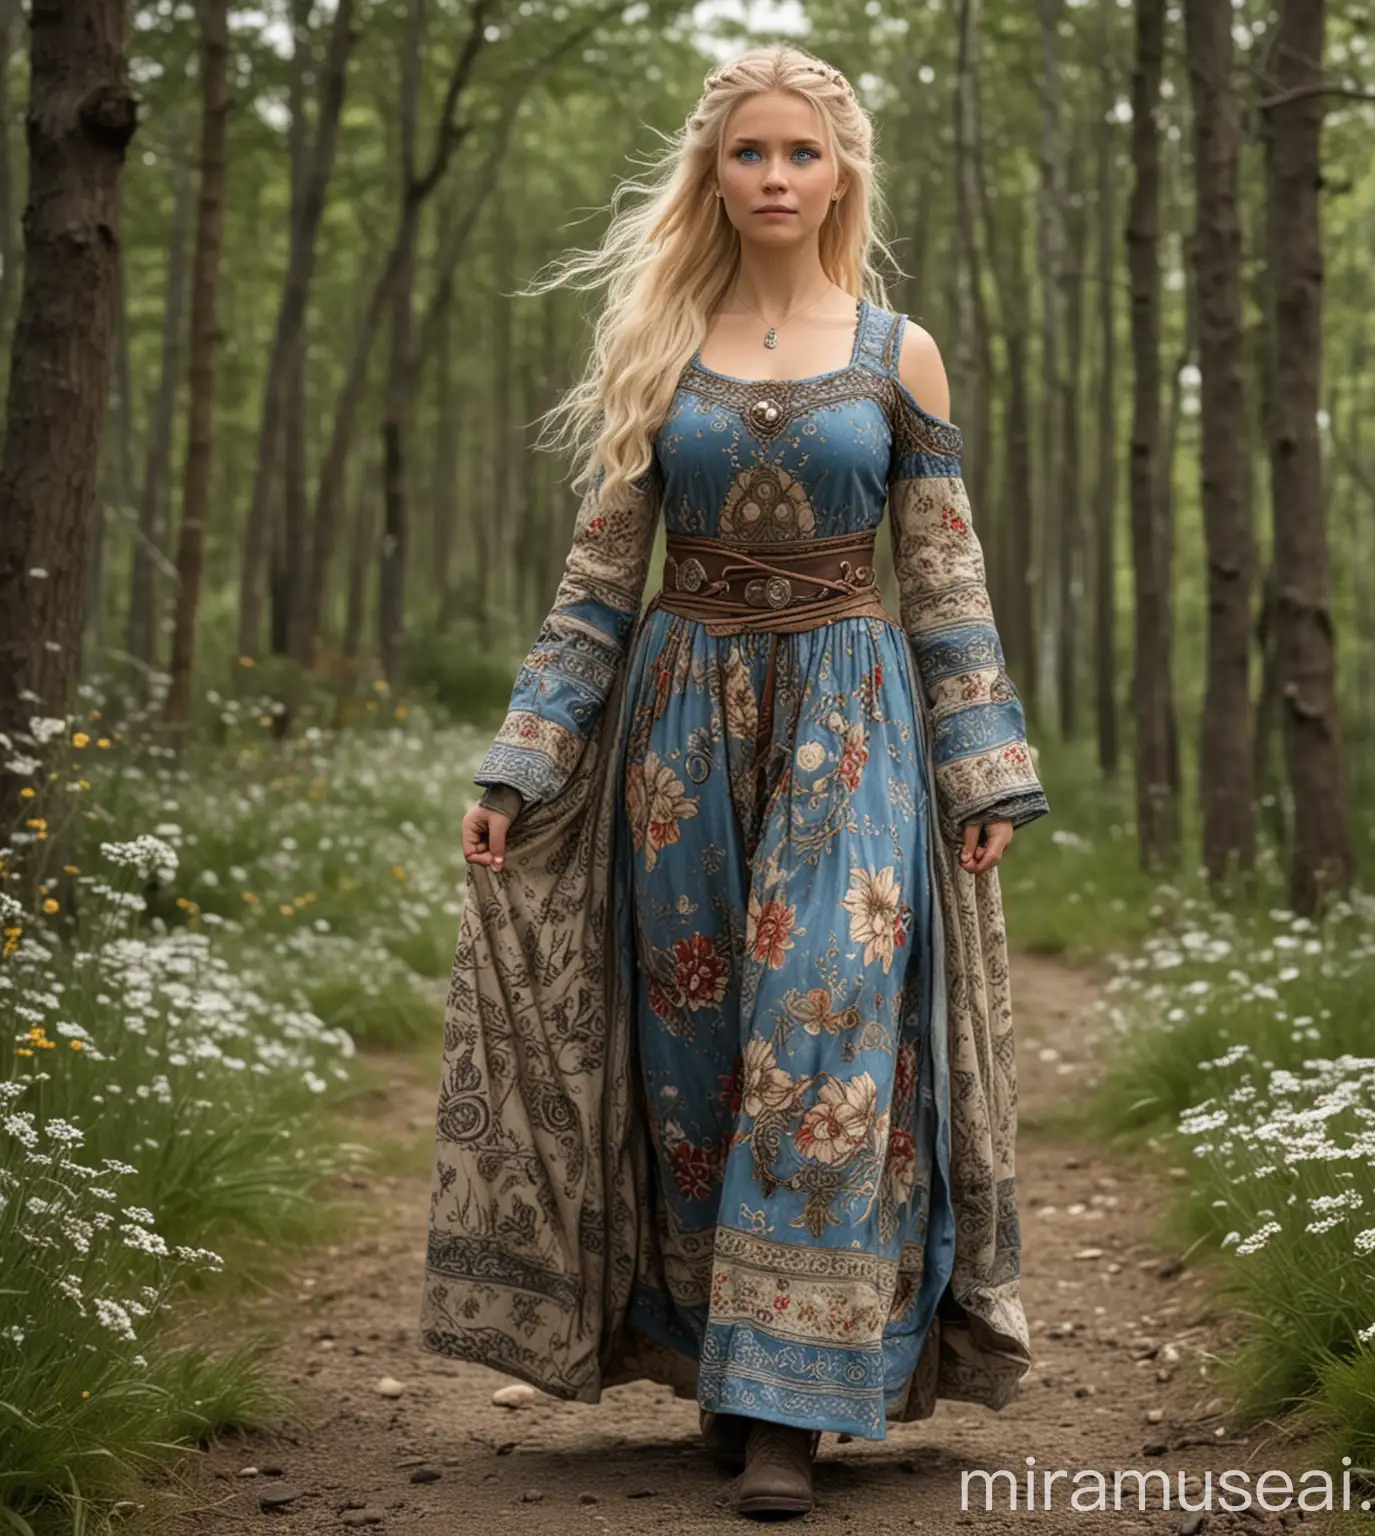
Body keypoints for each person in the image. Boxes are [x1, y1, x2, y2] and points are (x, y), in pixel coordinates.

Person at [419, 44, 1048, 1520]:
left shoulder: (902, 352)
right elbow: (594, 583)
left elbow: (945, 576)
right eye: (749, 153)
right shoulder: (658, 342)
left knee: (821, 1037)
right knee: (697, 1054)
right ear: (714, 172)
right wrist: (525, 758)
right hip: (678, 730)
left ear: (844, 173)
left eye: (802, 154)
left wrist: (982, 770)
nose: (775, 177)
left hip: (852, 718)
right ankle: (727, 1356)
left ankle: (795, 1405)